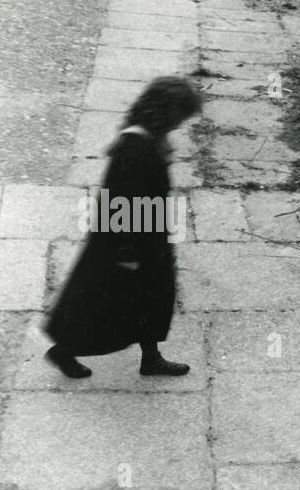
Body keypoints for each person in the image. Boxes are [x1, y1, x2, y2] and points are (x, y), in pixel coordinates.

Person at [45, 76, 202, 378]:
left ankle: (151, 357)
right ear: (167, 113)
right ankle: (63, 351)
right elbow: (120, 202)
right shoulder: (136, 147)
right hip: (128, 243)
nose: (179, 125)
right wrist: (128, 252)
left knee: (151, 300)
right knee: (105, 303)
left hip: (147, 237)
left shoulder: (148, 139)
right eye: (178, 118)